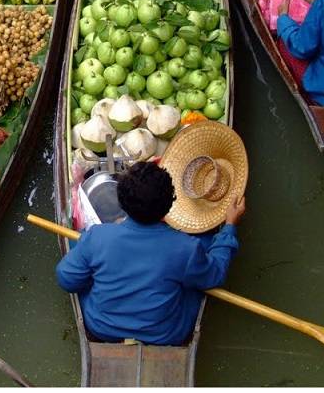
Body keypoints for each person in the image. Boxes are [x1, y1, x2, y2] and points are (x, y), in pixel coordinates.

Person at [56, 121, 247, 346]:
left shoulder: (97, 237)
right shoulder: (186, 247)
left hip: (102, 327)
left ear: (123, 205)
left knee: (82, 250)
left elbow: (66, 279)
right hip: (166, 334)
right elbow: (214, 275)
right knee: (202, 260)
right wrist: (229, 228)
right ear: (169, 207)